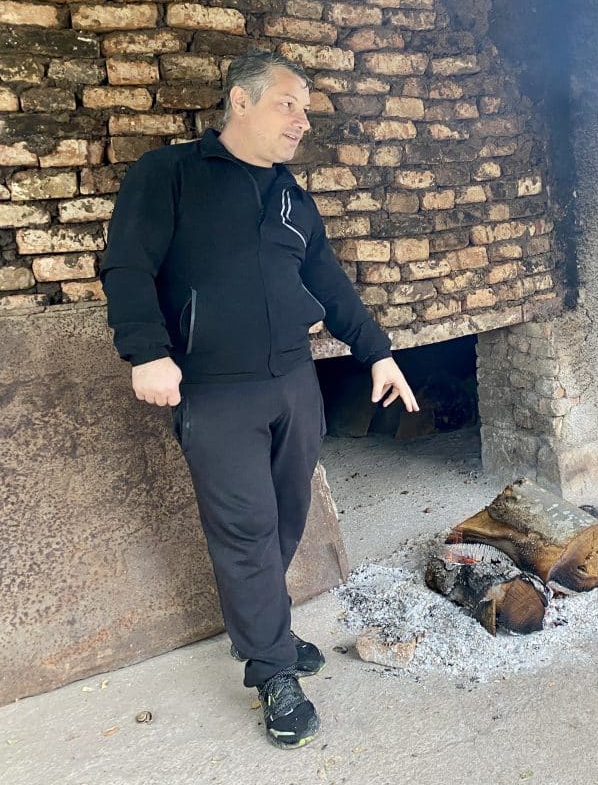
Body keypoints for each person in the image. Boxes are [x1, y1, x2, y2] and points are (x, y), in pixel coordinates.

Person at [101, 51, 418, 750]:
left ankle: (260, 629)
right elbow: (126, 263)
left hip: (293, 385)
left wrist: (379, 352)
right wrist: (146, 352)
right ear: (240, 103)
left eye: (305, 108)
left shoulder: (289, 195)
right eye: (289, 103)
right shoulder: (169, 175)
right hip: (215, 392)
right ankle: (274, 671)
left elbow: (328, 283)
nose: (302, 120)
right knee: (244, 529)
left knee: (286, 516)